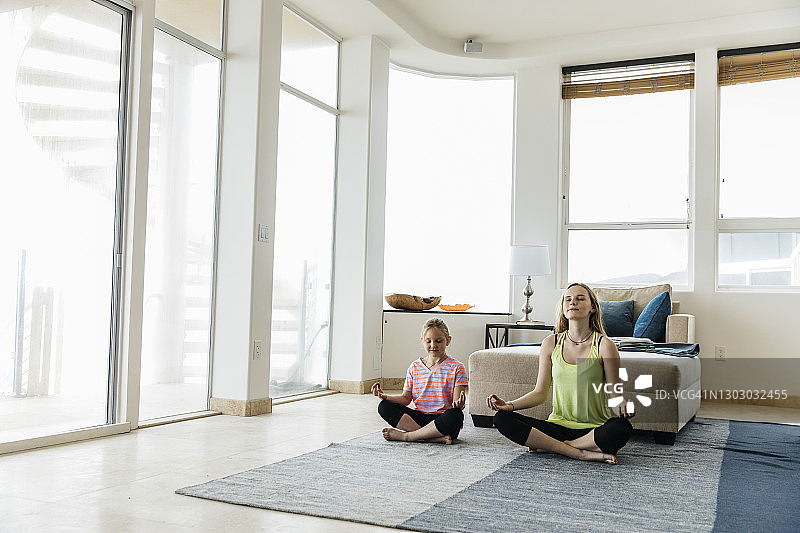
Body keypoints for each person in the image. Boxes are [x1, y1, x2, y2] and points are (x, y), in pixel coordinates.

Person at [487, 282, 634, 464]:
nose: (573, 302)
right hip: (556, 425)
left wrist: (623, 407)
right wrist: (509, 405)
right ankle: (578, 453)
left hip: (592, 430)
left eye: (580, 299)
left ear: (593, 308)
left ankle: (556, 446)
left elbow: (615, 396)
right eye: (568, 299)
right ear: (564, 309)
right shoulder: (551, 343)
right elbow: (540, 393)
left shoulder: (605, 345)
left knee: (622, 428)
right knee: (502, 418)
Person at [372, 318, 468, 444]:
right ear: (422, 341)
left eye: (439, 341)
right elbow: (406, 399)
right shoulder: (414, 367)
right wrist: (386, 396)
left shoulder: (457, 367)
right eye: (428, 341)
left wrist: (459, 405)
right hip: (418, 419)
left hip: (441, 422)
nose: (433, 345)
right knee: (384, 406)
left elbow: (456, 404)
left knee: (456, 415)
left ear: (448, 340)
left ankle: (407, 437)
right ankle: (432, 438)